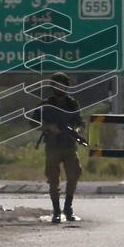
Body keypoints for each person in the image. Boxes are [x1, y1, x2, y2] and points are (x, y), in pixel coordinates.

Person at [35, 72, 84, 223]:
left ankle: (68, 207)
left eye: (63, 85)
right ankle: (56, 210)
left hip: (69, 145)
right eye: (58, 85)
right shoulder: (46, 104)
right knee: (53, 179)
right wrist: (48, 127)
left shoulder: (72, 104)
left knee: (74, 175)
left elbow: (80, 122)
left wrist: (76, 131)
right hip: (53, 145)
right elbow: (34, 122)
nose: (61, 88)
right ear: (53, 86)